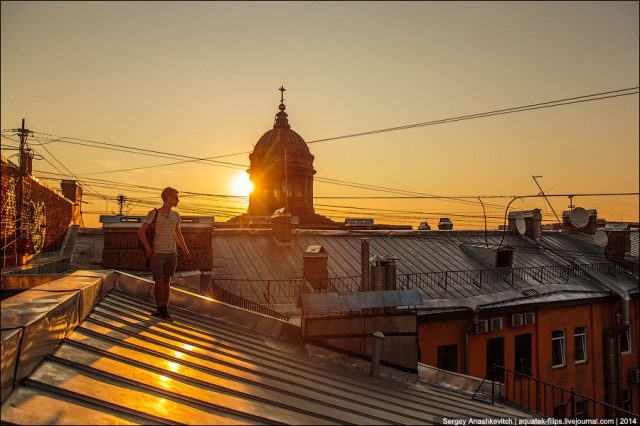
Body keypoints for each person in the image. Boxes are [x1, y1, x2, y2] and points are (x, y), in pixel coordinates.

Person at [138, 187, 190, 321]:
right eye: (175, 197)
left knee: (167, 282)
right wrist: (148, 249)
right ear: (167, 198)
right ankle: (159, 308)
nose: (177, 199)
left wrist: (185, 250)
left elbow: (178, 234)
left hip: (171, 253)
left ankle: (164, 309)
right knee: (159, 281)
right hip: (157, 253)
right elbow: (141, 232)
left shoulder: (176, 216)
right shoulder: (154, 214)